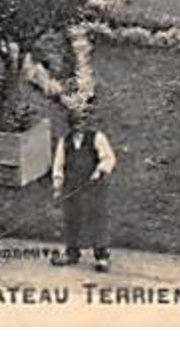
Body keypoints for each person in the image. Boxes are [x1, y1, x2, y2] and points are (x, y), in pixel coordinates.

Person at [50, 103, 117, 272]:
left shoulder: (97, 137)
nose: (78, 126)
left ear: (86, 122)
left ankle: (101, 256)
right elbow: (58, 165)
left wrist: (99, 171)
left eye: (81, 122)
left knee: (97, 219)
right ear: (70, 124)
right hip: (72, 187)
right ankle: (72, 252)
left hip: (93, 187)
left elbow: (108, 158)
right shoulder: (64, 142)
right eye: (74, 122)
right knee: (72, 218)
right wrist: (58, 186)